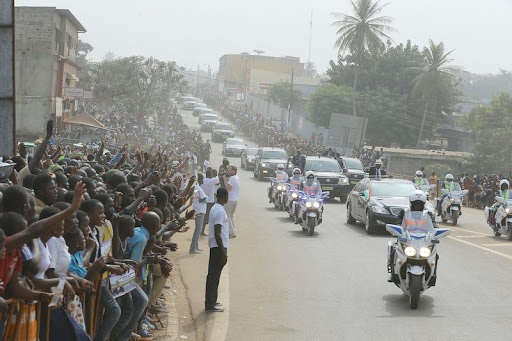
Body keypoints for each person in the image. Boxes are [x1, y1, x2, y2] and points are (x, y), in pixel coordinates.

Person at [205, 187, 229, 312]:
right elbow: (218, 233)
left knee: (213, 276)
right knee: (214, 276)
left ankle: (212, 301)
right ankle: (210, 303)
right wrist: (223, 253)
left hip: (215, 246)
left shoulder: (216, 208)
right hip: (217, 247)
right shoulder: (219, 211)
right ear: (225, 197)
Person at [190, 174, 207, 254]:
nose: (203, 181)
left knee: (197, 229)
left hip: (198, 209)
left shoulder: (197, 188)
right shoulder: (198, 189)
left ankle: (195, 246)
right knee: (198, 230)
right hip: (199, 210)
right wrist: (206, 198)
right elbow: (202, 199)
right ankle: (193, 248)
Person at [201, 169, 219, 235]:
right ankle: (202, 231)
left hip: (203, 200)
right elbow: (218, 179)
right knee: (207, 216)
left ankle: (201, 230)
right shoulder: (211, 181)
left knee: (203, 215)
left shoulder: (203, 181)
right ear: (210, 175)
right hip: (210, 201)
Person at [223, 166, 239, 238]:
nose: (228, 171)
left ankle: (231, 232)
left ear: (233, 171)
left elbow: (228, 188)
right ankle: (233, 230)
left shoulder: (232, 178)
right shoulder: (236, 177)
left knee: (227, 216)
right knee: (231, 216)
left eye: (229, 170)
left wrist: (224, 180)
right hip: (235, 199)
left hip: (230, 199)